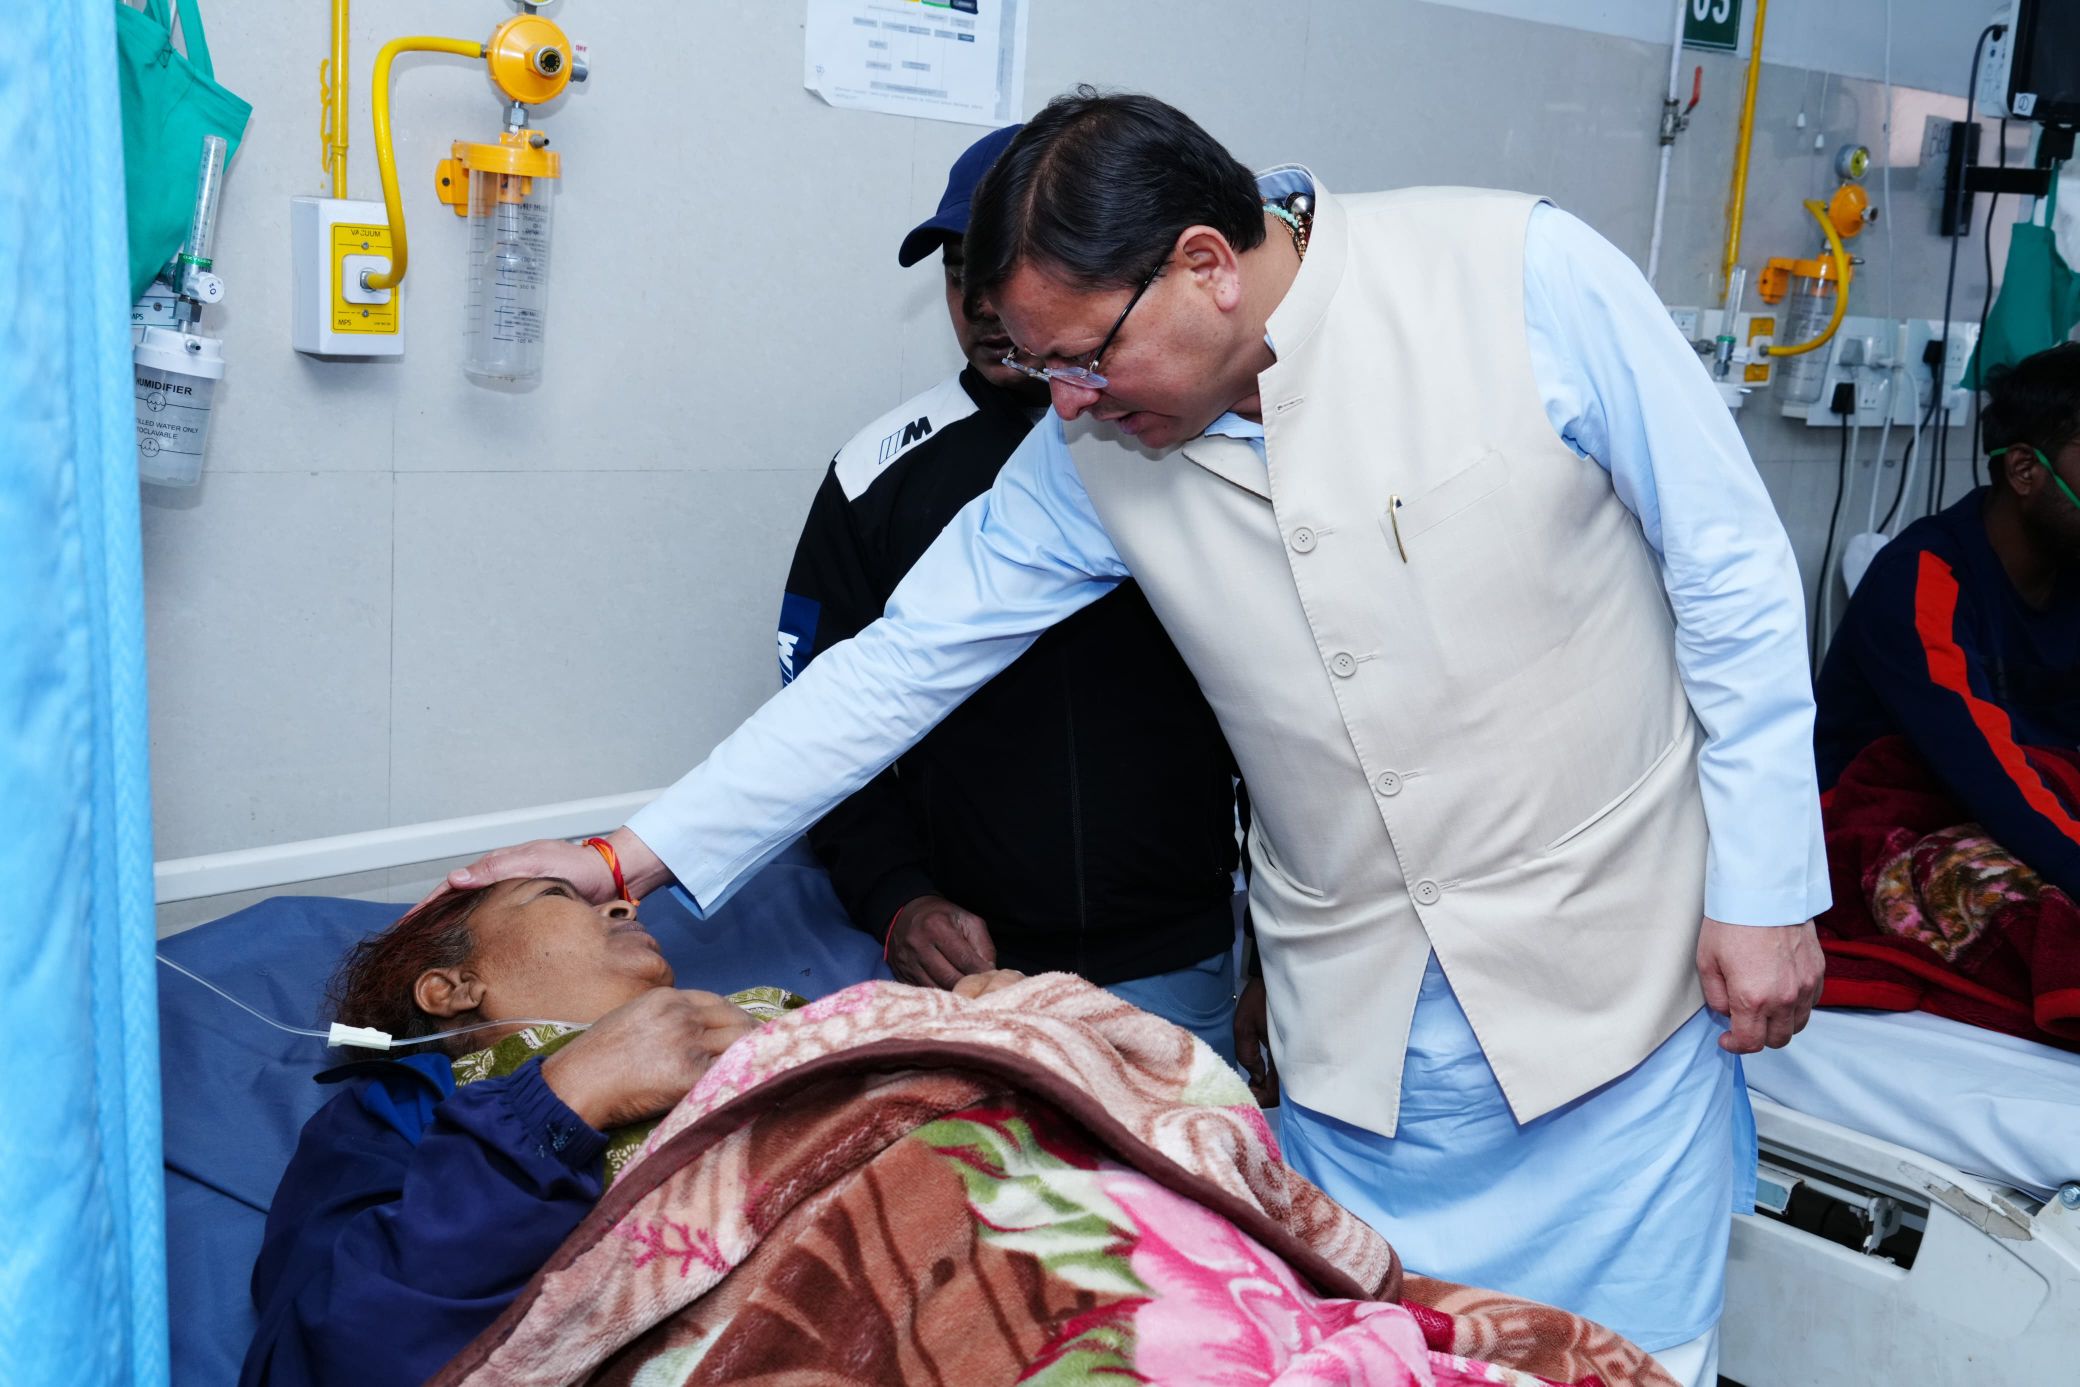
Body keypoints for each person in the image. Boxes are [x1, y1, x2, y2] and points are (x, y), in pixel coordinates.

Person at [445, 90, 1829, 1384]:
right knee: (1365, 1345)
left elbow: (1732, 572)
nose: (1065, 401)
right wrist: (621, 856)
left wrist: (1765, 889)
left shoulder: (1516, 276)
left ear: (1207, 263)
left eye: (1083, 356)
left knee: (1625, 1354)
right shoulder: (1089, 453)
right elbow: (902, 662)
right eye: (1036, 365)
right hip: (1358, 1030)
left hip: (1615, 976)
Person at [777, 125, 1246, 1060]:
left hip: (1179, 957)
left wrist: (1279, 951)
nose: (990, 307)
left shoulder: (1190, 439)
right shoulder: (876, 476)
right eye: (964, 274)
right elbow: (825, 717)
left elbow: (1283, 711)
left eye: (1017, 277)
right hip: (972, 968)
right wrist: (896, 897)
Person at [238, 874, 1019, 1386]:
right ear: (453, 987)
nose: (623, 906)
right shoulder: (395, 1118)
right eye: (556, 895)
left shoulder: (775, 1009)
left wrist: (986, 1026)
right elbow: (326, 1357)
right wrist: (561, 1100)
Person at [1816, 342, 2080, 895]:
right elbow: (1985, 771)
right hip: (1885, 827)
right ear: (2026, 469)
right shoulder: (1921, 580)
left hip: (2021, 813)